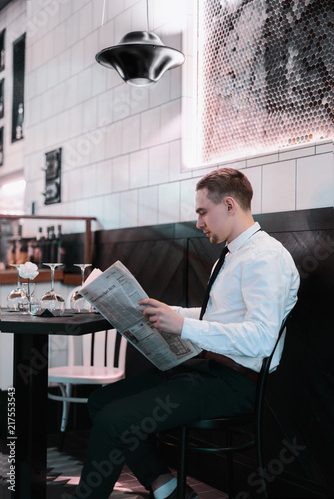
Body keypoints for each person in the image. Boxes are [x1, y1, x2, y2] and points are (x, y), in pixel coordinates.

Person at [72, 168, 300, 499]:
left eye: (202, 212)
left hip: (236, 384)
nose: (198, 223)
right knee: (101, 401)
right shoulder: (232, 254)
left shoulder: (266, 258)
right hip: (207, 371)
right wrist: (165, 311)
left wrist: (183, 326)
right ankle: (167, 487)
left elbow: (261, 339)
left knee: (113, 421)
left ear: (229, 205)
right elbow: (216, 317)